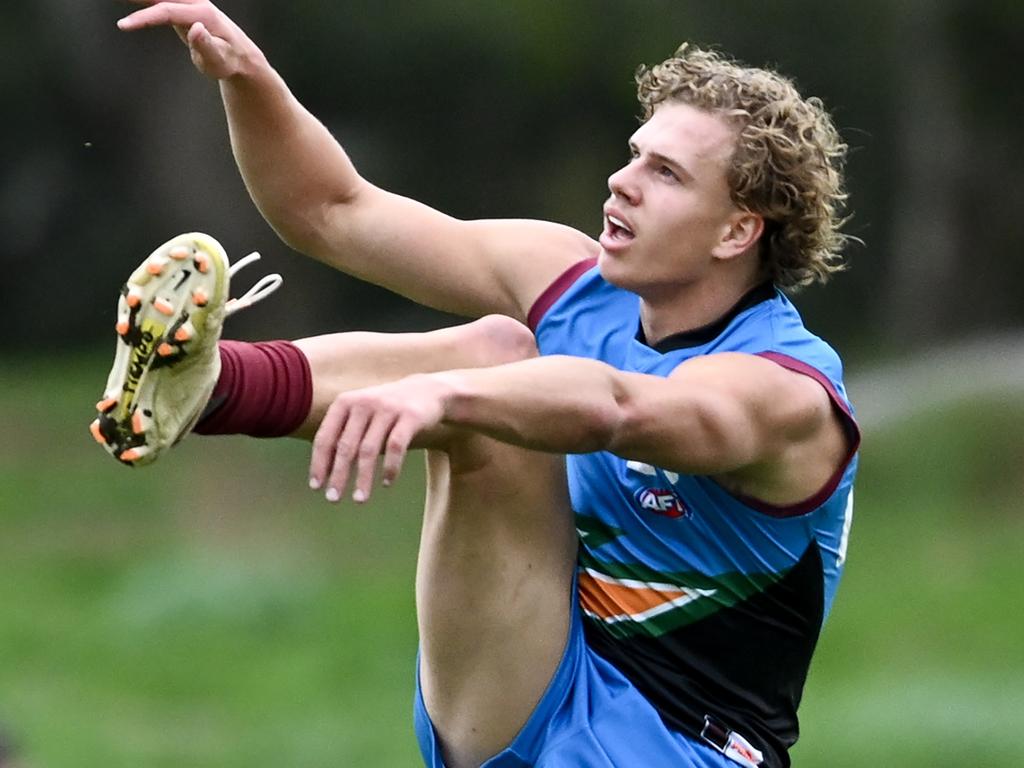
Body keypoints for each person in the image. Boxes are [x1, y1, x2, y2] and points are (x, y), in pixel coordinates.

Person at [96, 2, 860, 766]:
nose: (621, 181)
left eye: (665, 174)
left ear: (738, 230)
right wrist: (249, 82)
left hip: (671, 746)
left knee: (495, 362)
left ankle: (216, 387)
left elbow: (617, 406)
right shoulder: (576, 283)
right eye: (633, 154)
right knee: (499, 347)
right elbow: (332, 211)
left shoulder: (784, 390)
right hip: (543, 691)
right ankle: (205, 385)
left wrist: (444, 395)